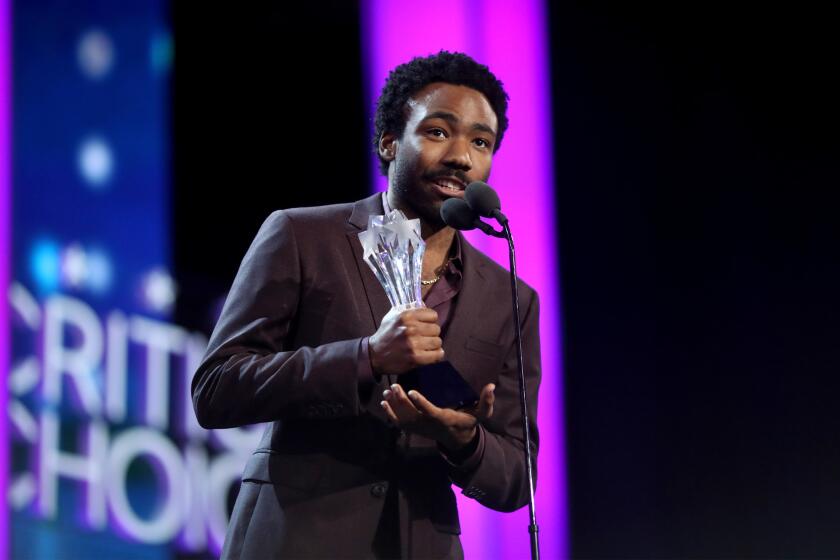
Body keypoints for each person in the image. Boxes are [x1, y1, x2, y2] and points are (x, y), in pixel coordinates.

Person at [192, 50, 542, 560]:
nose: (461, 157)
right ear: (389, 141)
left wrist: (464, 440)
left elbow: (516, 478)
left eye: (481, 142)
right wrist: (366, 356)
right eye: (438, 132)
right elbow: (216, 389)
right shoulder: (302, 235)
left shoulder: (511, 297)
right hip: (296, 539)